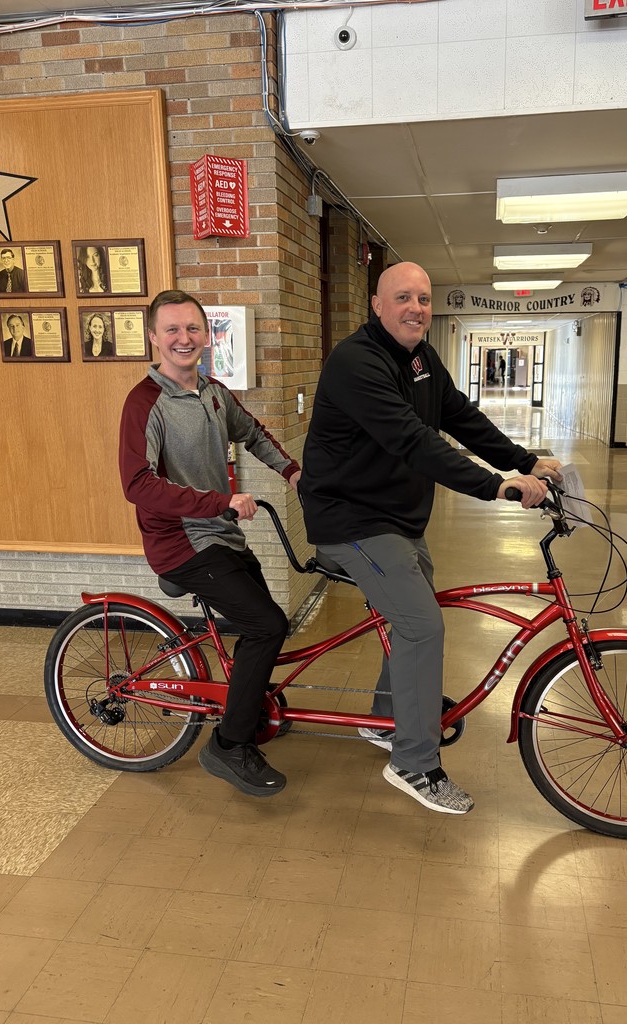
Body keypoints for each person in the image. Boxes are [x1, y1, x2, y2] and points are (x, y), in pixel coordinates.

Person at [300, 262, 561, 815]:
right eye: (402, 298)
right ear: (377, 305)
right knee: (422, 626)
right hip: (351, 521)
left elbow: (459, 415)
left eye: (423, 298)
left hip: (396, 519)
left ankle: (386, 720)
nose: (415, 308)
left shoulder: (420, 356)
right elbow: (413, 441)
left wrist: (525, 461)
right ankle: (414, 762)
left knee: (410, 616)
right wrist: (495, 486)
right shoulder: (356, 362)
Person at [119, 289, 301, 797]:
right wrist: (218, 502)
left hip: (219, 535)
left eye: (192, 328)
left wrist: (293, 473)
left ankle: (248, 705)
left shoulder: (213, 392)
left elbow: (253, 432)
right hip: (179, 543)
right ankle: (228, 745)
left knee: (268, 622)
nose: (184, 338)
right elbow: (137, 484)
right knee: (266, 625)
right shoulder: (144, 403)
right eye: (172, 330)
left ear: (206, 335)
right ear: (154, 338)